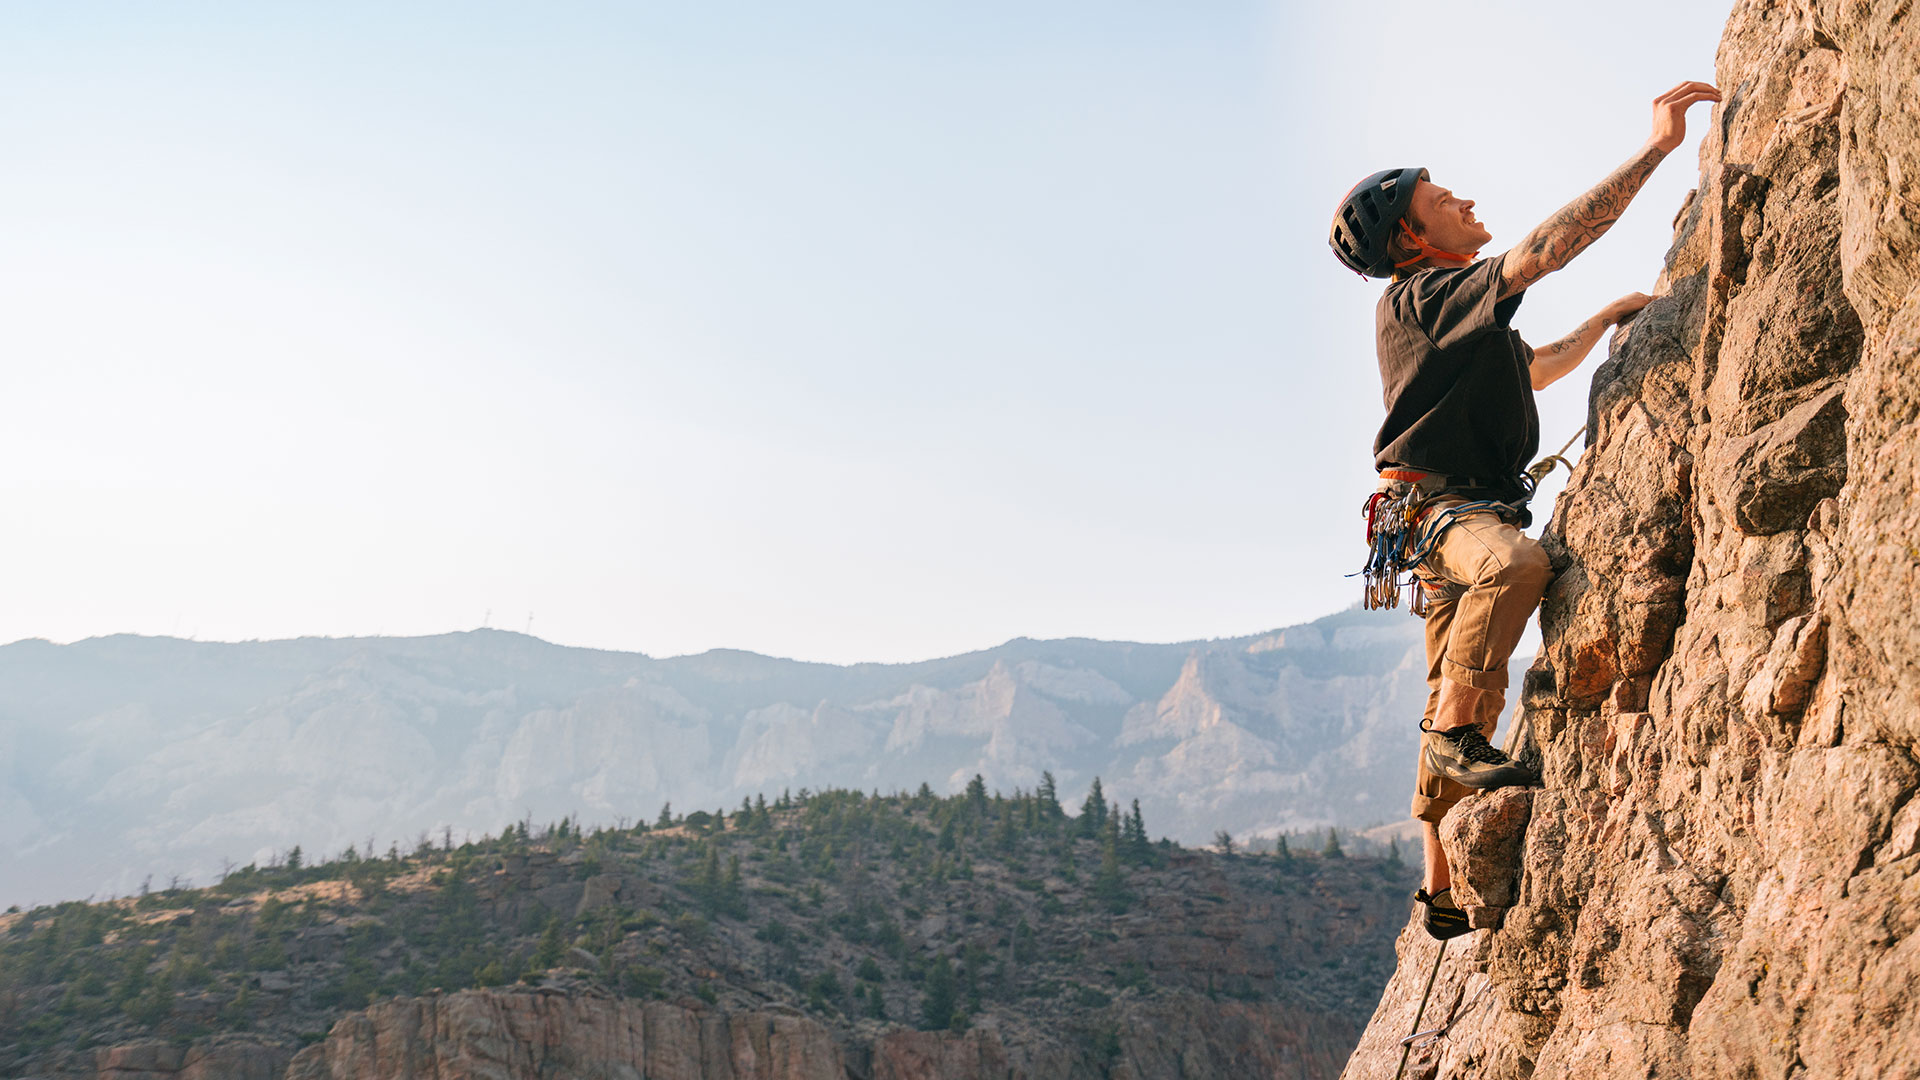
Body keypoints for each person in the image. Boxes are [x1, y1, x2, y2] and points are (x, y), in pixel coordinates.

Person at [1328, 80, 1721, 940]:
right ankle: (1460, 744)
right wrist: (1656, 150)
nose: (1462, 199)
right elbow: (1546, 248)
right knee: (1517, 566)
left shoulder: (1451, 318)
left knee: (1442, 694)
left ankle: (1437, 889)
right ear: (1410, 237)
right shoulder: (1423, 298)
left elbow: (1533, 367)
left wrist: (1604, 321)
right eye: (1441, 199)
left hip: (1427, 519)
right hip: (1448, 517)